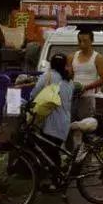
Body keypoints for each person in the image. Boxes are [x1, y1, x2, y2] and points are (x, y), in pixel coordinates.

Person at [30, 53, 74, 185]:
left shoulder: (47, 76)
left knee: (49, 154)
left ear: (51, 64)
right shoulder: (69, 81)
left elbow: (33, 95)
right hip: (64, 123)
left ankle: (56, 181)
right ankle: (56, 179)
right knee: (53, 153)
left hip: (50, 123)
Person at [69, 28, 103, 119]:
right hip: (73, 96)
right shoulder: (72, 57)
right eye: (80, 41)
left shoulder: (98, 58)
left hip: (88, 97)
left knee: (85, 124)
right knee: (72, 122)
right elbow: (69, 76)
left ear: (92, 41)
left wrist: (85, 88)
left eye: (85, 41)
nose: (82, 44)